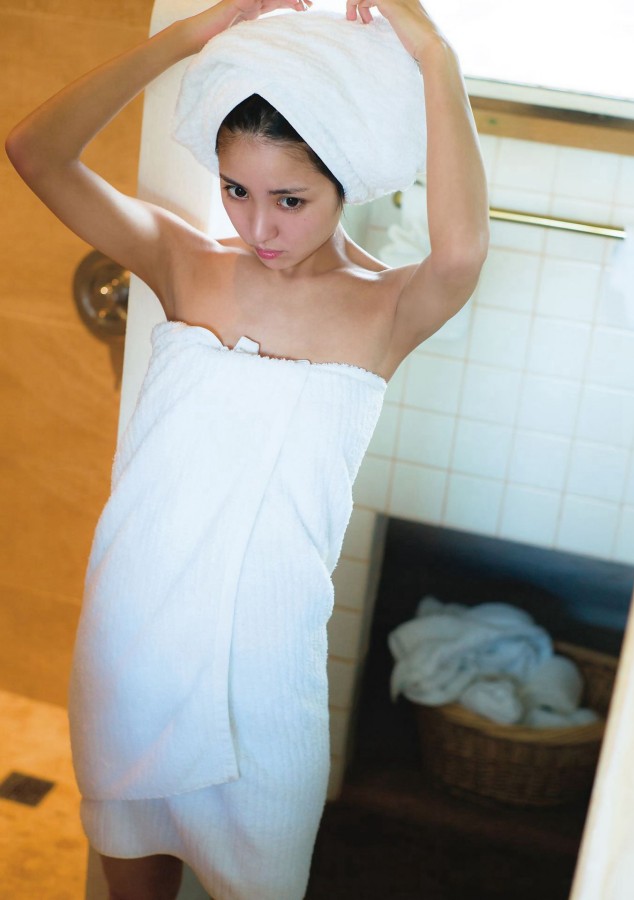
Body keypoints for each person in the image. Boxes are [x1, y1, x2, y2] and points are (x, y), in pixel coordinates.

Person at [6, 0, 488, 897]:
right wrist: (189, 35)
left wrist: (432, 51)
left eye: (289, 200)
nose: (258, 227)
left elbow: (460, 255)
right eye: (236, 190)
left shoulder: (384, 308)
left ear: (343, 184)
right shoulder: (185, 263)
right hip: (134, 650)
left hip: (262, 685)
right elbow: (35, 151)